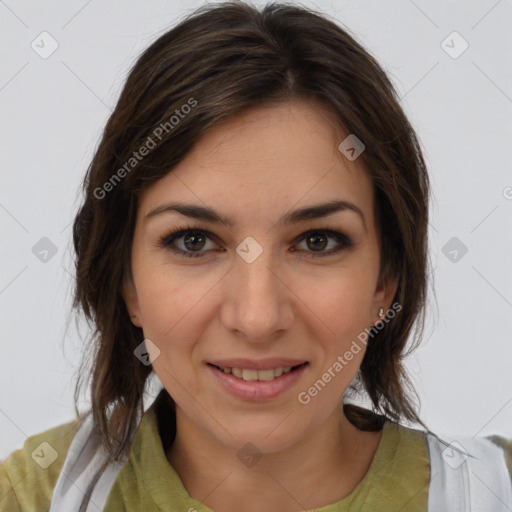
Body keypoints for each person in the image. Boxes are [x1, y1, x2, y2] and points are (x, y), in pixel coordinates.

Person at [1, 2, 511, 511]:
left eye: (317, 241)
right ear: (127, 282)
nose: (258, 317)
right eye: (194, 241)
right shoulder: (31, 496)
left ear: (387, 281)